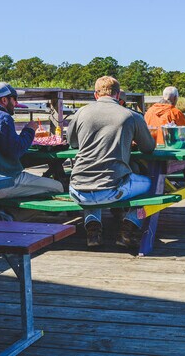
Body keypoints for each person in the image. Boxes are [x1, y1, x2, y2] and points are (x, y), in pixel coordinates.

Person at [67, 76, 155, 248]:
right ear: (117, 95)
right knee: (155, 185)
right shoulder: (131, 115)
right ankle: (127, 228)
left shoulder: (81, 113)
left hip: (77, 189)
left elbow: (72, 143)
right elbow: (148, 147)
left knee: (92, 180)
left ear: (95, 95)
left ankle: (93, 230)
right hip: (110, 190)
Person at [0, 82, 64, 220]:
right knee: (57, 187)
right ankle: (8, 215)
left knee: (30, 188)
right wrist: (29, 130)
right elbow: (16, 151)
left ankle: (3, 210)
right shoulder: (1, 117)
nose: (16, 103)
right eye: (14, 99)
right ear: (4, 100)